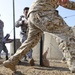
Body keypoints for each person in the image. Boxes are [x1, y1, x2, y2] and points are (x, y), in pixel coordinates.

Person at [3, 0, 75, 73]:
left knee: (30, 42)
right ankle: (74, 64)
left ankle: (12, 61)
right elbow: (64, 2)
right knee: (66, 33)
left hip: (32, 15)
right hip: (43, 12)